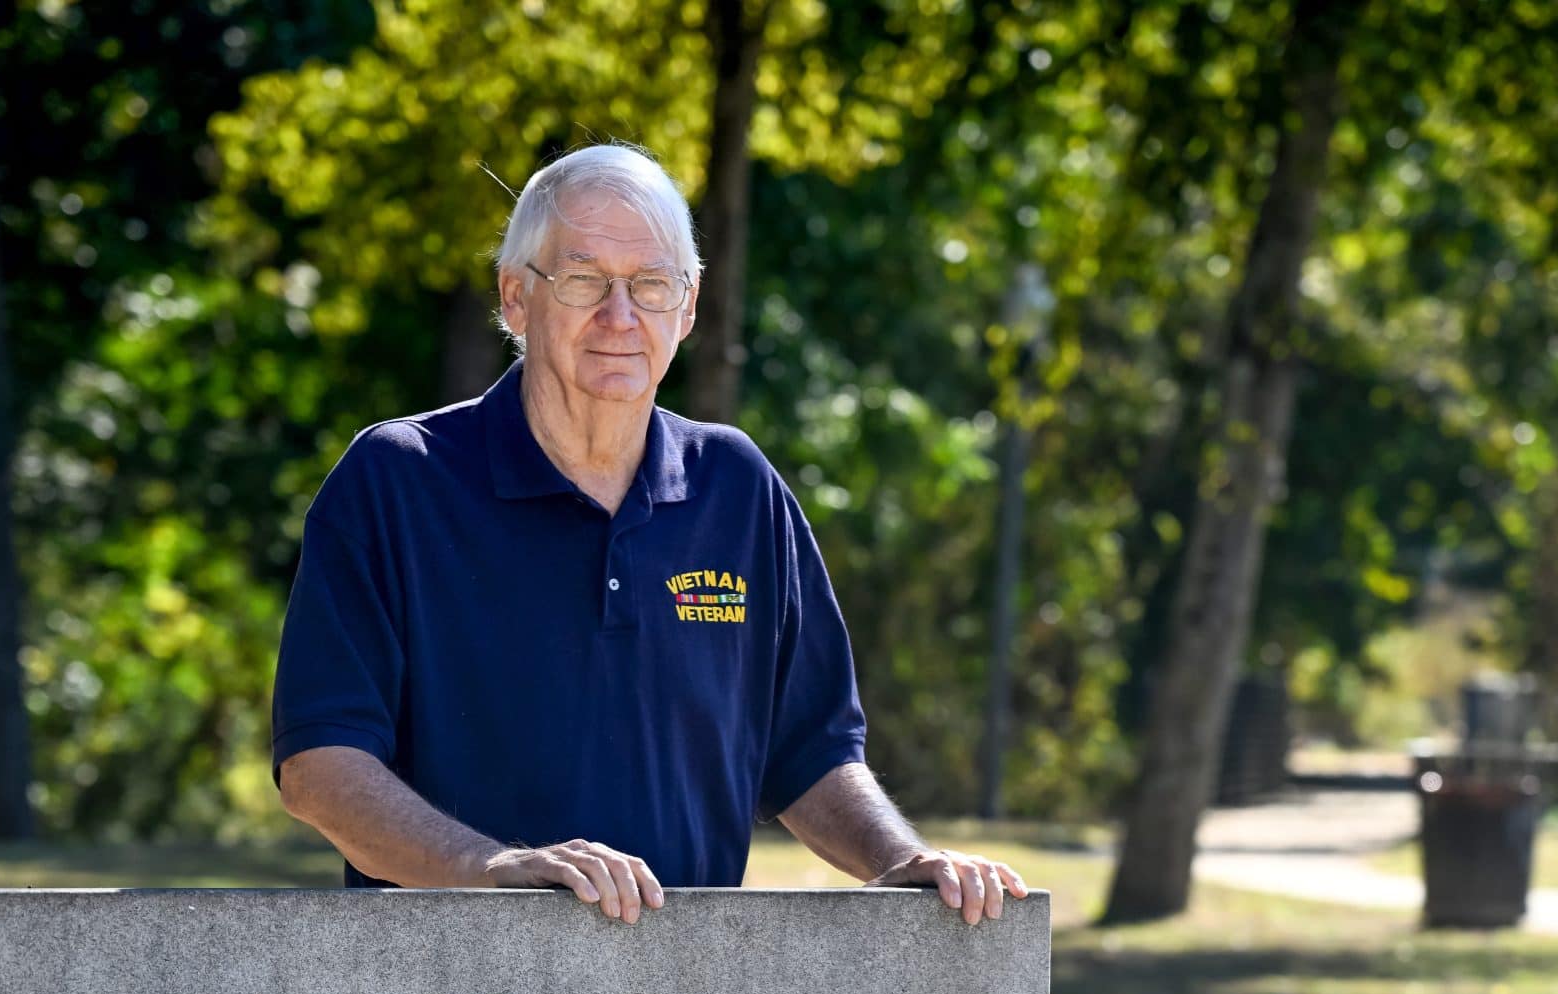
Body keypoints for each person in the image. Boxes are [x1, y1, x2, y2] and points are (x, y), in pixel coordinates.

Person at [271, 142, 1026, 926]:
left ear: (690, 305)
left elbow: (812, 753)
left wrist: (901, 860)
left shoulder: (736, 490)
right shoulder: (397, 481)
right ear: (516, 297)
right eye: (585, 280)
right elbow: (319, 767)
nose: (620, 316)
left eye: (651, 285)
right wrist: (488, 870)